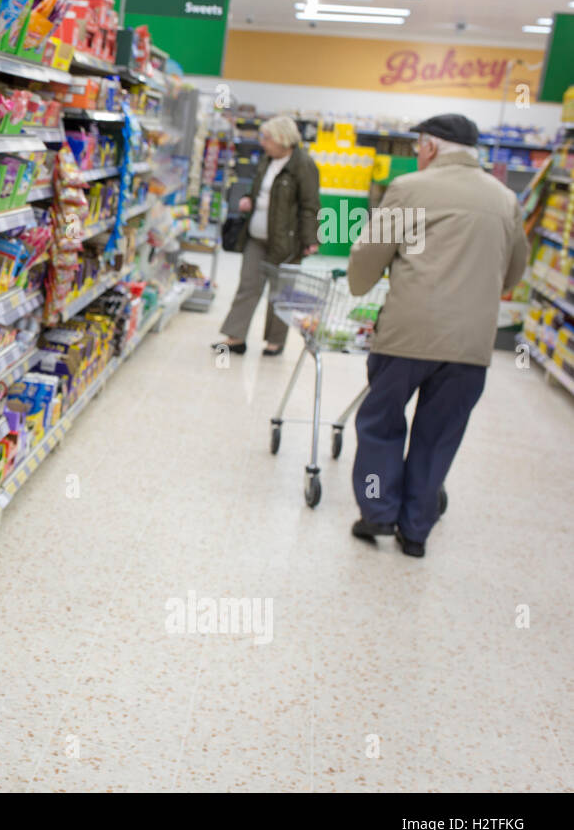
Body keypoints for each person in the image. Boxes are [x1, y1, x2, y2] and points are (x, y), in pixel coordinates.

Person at [347, 113, 528, 557]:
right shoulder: (505, 200)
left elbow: (370, 254)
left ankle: (377, 512)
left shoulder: (411, 189)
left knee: (380, 426)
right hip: (471, 344)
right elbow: (514, 270)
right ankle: (416, 532)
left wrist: (359, 284)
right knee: (438, 436)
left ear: (429, 147)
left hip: (409, 334)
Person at [215, 115, 321, 356]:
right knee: (248, 286)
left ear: (283, 139)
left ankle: (275, 342)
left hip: (286, 241)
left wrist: (310, 239)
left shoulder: (303, 165)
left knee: (280, 293)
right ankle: (235, 337)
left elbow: (310, 205)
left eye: (267, 138)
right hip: (256, 236)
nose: (263, 142)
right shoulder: (267, 160)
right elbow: (259, 192)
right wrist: (249, 201)